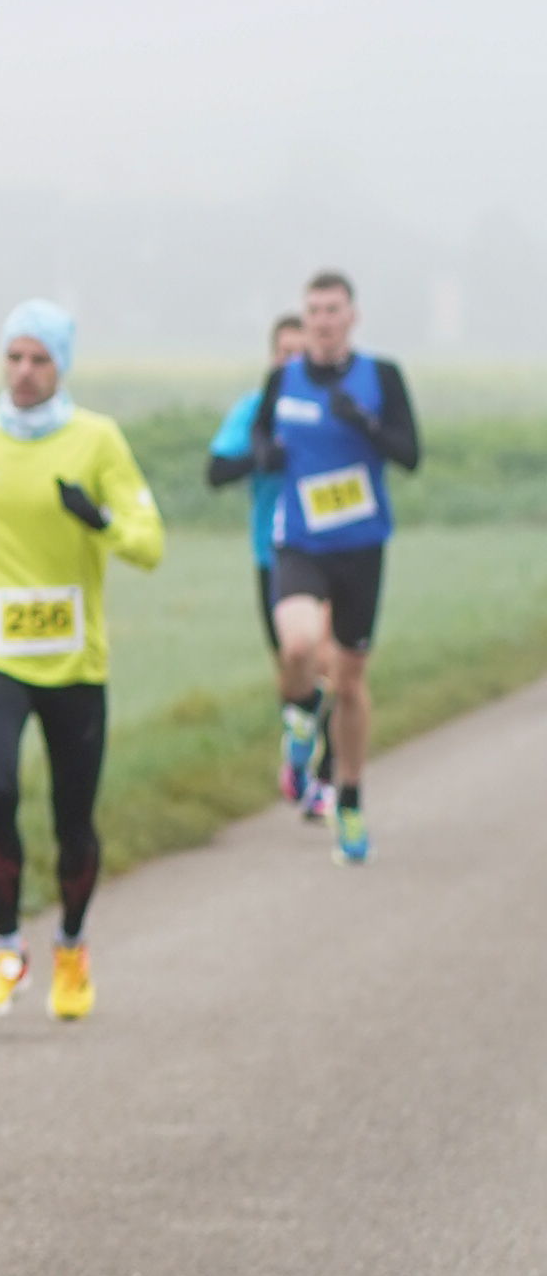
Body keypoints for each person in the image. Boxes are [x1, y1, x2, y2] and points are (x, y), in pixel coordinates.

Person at [0, 301, 164, 1023]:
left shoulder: (97, 439)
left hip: (74, 661)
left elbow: (149, 543)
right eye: (15, 357)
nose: (25, 372)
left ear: (62, 366)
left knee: (73, 816)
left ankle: (70, 946)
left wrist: (100, 520)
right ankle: (7, 951)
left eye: (40, 359)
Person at [244, 271, 417, 864]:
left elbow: (410, 453)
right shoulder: (283, 378)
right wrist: (266, 453)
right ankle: (298, 723)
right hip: (301, 541)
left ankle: (349, 797)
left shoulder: (381, 376)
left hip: (361, 548)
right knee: (296, 645)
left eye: (333, 309)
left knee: (347, 682)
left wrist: (364, 423)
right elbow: (260, 434)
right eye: (314, 310)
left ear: (352, 316)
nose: (322, 320)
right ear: (305, 316)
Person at [207, 312, 330, 813]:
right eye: (284, 353)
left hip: (336, 551)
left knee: (334, 664)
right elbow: (216, 471)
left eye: (301, 353)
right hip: (274, 555)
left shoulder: (333, 404)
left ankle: (328, 777)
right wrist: (262, 457)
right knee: (295, 662)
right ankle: (299, 757)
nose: (292, 361)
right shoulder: (256, 409)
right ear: (272, 357)